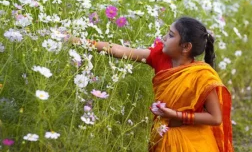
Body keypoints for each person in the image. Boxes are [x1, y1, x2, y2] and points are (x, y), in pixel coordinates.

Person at [68, 16, 233, 152]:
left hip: (195, 143)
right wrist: (77, 41)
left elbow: (215, 118)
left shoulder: (201, 75)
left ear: (186, 47)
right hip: (164, 137)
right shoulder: (159, 57)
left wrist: (176, 115)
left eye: (170, 35)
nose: (163, 38)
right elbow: (120, 51)